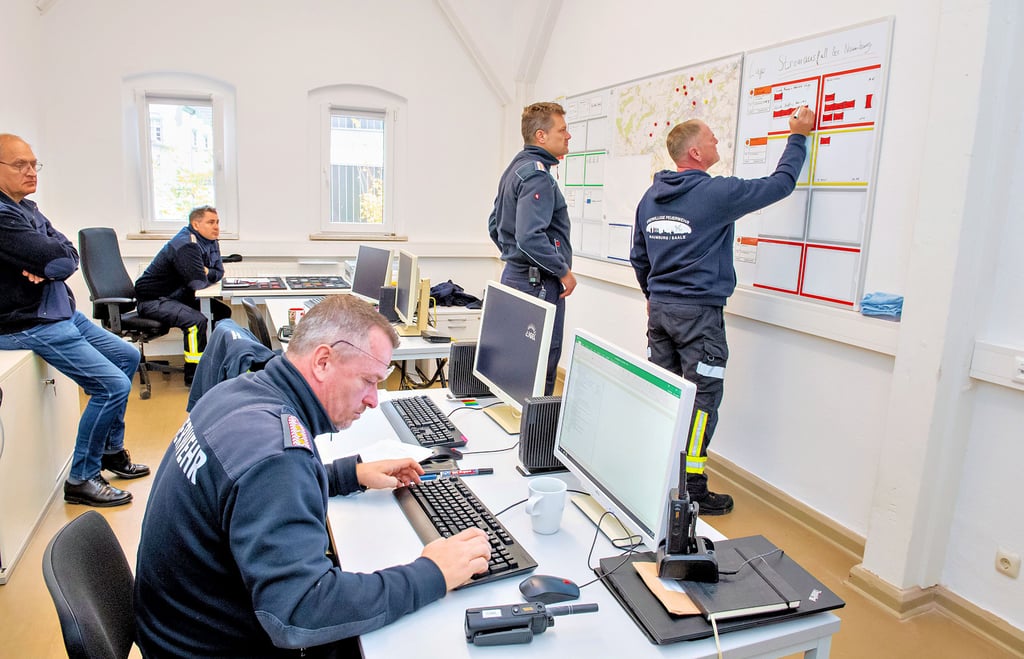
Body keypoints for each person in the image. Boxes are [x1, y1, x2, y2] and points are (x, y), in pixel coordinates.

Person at [135, 294, 491, 657]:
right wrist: (432, 572)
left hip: (177, 631)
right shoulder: (278, 458)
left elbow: (245, 489)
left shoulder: (237, 393)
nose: (373, 399)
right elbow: (300, 613)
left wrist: (347, 474)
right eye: (368, 381)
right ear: (322, 361)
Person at [630, 107, 817, 516]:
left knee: (666, 392)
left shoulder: (649, 198)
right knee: (701, 402)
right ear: (696, 153)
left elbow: (638, 256)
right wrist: (798, 136)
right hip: (698, 316)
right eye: (713, 140)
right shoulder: (715, 194)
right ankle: (692, 489)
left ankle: (656, 474)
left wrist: (653, 294)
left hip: (660, 312)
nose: (718, 144)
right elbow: (780, 185)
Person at [0, 133, 149, 507]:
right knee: (112, 385)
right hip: (29, 322)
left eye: (34, 164)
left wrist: (48, 266)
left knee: (127, 357)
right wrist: (48, 265)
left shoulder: (27, 209)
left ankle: (110, 451)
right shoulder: (3, 217)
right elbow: (53, 261)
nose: (31, 172)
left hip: (58, 310)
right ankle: (82, 477)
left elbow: (66, 254)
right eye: (20, 165)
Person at [487, 102, 577, 395]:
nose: (568, 136)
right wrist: (563, 272)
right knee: (540, 366)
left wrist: (513, 257)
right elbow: (529, 237)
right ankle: (535, 438)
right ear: (541, 135)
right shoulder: (538, 175)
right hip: (536, 283)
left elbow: (494, 224)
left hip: (516, 277)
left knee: (516, 366)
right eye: (562, 130)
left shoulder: (515, 168)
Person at [134, 204, 231, 385]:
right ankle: (194, 375)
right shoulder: (186, 244)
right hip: (154, 300)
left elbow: (218, 272)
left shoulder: (210, 241)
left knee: (222, 313)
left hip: (177, 296)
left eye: (217, 222)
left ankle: (215, 362)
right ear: (196, 225)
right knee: (196, 321)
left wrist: (205, 271)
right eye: (211, 222)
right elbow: (198, 283)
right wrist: (206, 273)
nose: (216, 226)